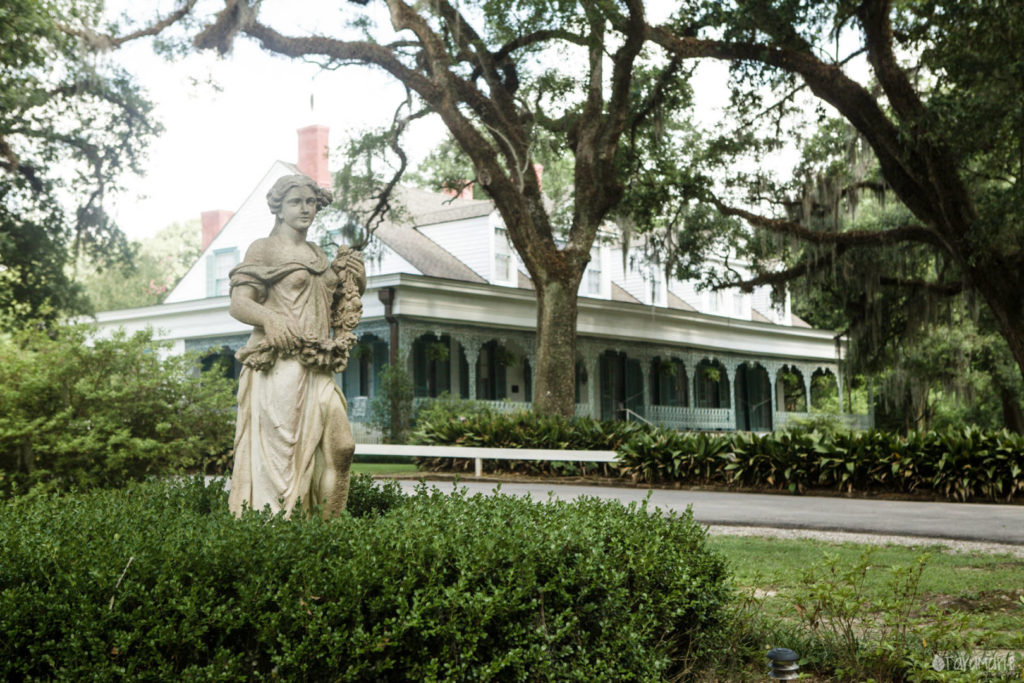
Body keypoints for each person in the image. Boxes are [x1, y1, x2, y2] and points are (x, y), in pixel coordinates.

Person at [226, 174, 365, 518]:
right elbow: (239, 303)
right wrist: (269, 320)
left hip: (318, 365)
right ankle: (279, 530)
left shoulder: (318, 254)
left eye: (311, 202)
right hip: (281, 368)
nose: (305, 209)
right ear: (279, 208)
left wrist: (354, 279)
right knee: (283, 465)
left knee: (342, 446)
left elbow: (333, 312)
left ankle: (326, 533)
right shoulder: (265, 248)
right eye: (296, 202)